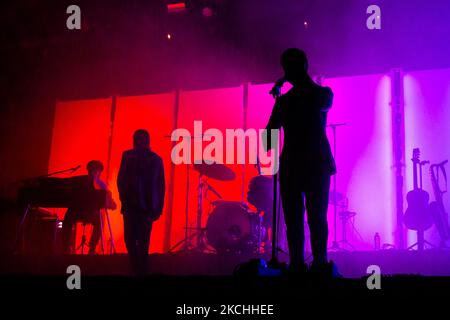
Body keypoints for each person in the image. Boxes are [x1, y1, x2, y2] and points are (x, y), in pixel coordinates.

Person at [265, 48, 338, 276]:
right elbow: (318, 101)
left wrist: (283, 86)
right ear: (306, 64)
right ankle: (319, 263)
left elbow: (269, 136)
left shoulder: (287, 100)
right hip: (316, 163)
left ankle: (298, 264)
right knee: (316, 217)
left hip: (292, 165)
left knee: (295, 219)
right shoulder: (322, 93)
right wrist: (286, 82)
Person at [117, 129, 165, 275]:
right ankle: (139, 269)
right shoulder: (153, 159)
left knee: (138, 240)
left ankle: (139, 269)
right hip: (140, 206)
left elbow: (160, 185)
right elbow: (160, 185)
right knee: (134, 240)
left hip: (142, 207)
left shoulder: (152, 159)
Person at [62, 160, 116, 254]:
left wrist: (110, 203)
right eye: (91, 170)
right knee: (68, 218)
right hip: (79, 213)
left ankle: (91, 248)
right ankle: (66, 247)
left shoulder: (101, 185)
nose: (92, 173)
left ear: (99, 172)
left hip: (88, 213)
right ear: (88, 170)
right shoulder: (81, 183)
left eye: (95, 171)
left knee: (99, 222)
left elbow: (110, 203)